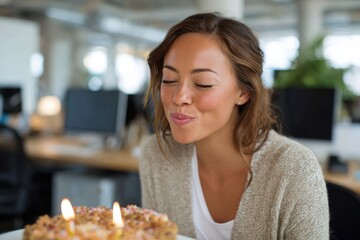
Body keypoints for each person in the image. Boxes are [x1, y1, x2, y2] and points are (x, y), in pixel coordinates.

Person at [139, 12, 329, 240]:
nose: (179, 97)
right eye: (169, 80)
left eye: (203, 83)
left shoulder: (294, 170)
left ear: (243, 92)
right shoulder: (156, 156)